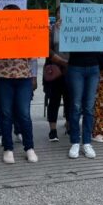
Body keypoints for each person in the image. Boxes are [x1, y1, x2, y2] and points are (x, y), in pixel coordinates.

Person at [0, 4, 39, 164]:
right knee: (5, 114)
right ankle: (8, 148)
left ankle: (29, 147)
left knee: (24, 113)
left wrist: (34, 76)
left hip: (23, 77)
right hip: (2, 77)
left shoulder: (27, 31)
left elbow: (34, 57)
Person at [65, 0, 101, 159]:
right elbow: (60, 43)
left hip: (93, 67)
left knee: (88, 106)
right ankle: (74, 141)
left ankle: (86, 142)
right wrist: (59, 27)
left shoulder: (97, 24)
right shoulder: (69, 24)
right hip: (76, 68)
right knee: (76, 105)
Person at [44, 8, 71, 142]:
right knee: (54, 99)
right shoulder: (52, 29)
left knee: (70, 99)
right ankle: (53, 130)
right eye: (60, 12)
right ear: (57, 14)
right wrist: (61, 61)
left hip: (71, 69)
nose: (62, 14)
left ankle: (69, 124)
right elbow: (46, 49)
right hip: (55, 69)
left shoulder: (75, 28)